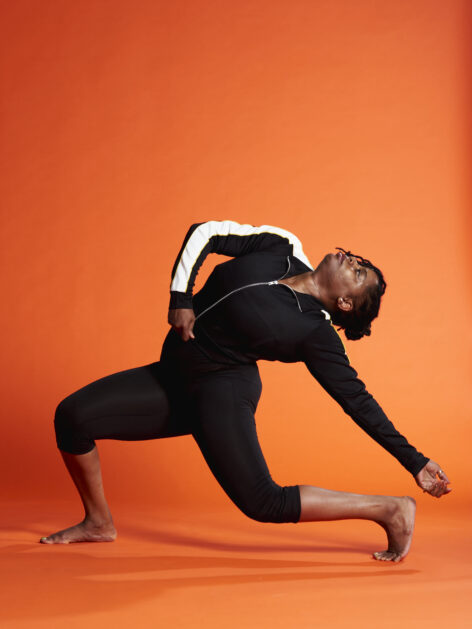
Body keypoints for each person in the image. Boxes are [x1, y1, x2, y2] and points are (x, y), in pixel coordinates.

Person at [40, 220, 451, 562]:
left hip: (222, 389)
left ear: (344, 302)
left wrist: (413, 460)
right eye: (359, 260)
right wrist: (180, 297)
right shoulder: (284, 246)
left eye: (358, 273)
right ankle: (98, 522)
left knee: (262, 502)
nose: (353, 260)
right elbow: (206, 233)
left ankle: (390, 509)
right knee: (73, 417)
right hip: (172, 377)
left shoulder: (316, 333)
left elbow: (356, 400)